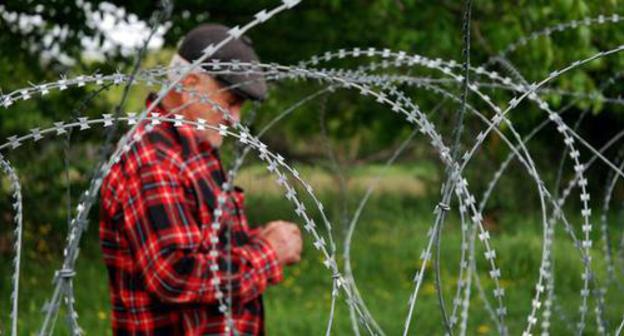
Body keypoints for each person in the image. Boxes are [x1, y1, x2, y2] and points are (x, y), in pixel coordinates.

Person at [99, 24, 303, 335]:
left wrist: (255, 238)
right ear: (190, 82)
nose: (234, 119)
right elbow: (175, 275)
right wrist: (268, 253)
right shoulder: (153, 158)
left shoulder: (191, 145)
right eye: (230, 102)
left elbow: (206, 240)